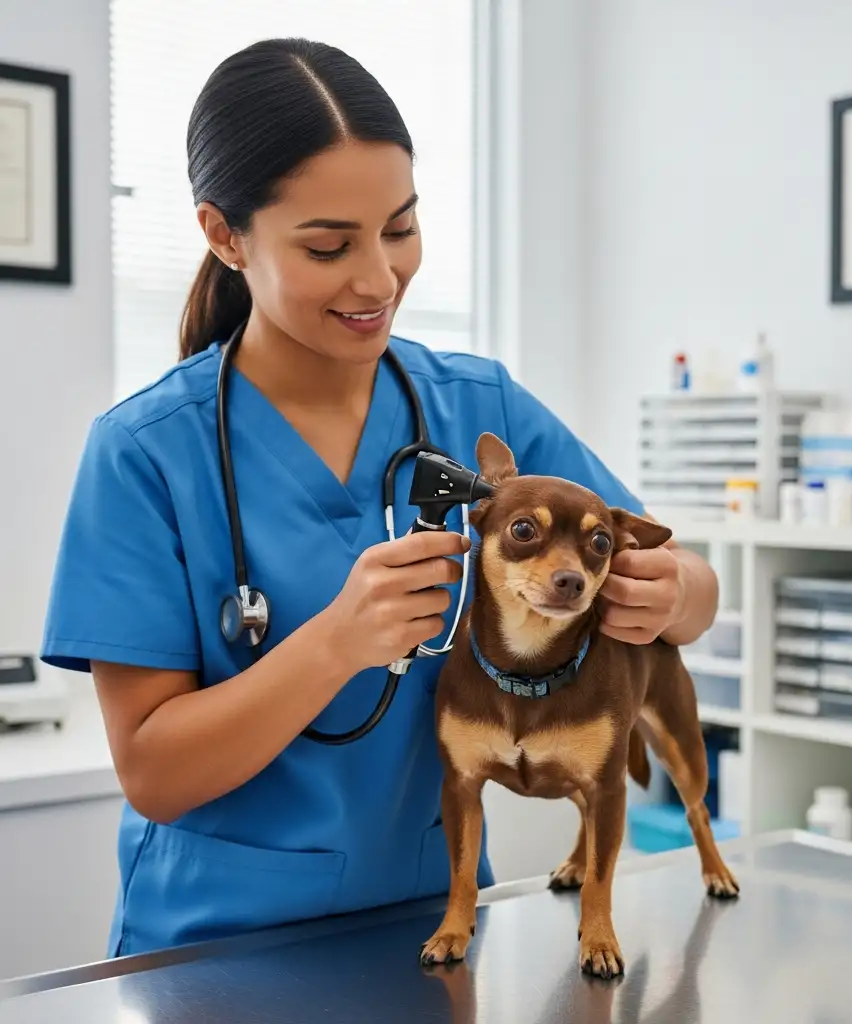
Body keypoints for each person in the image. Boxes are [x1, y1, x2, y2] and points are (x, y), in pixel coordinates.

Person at [40, 37, 719, 958]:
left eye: (400, 229)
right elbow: (154, 772)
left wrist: (676, 593)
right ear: (224, 234)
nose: (379, 279)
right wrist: (334, 644)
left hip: (437, 931)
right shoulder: (146, 454)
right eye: (329, 245)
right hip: (217, 948)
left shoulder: (478, 405)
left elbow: (686, 582)